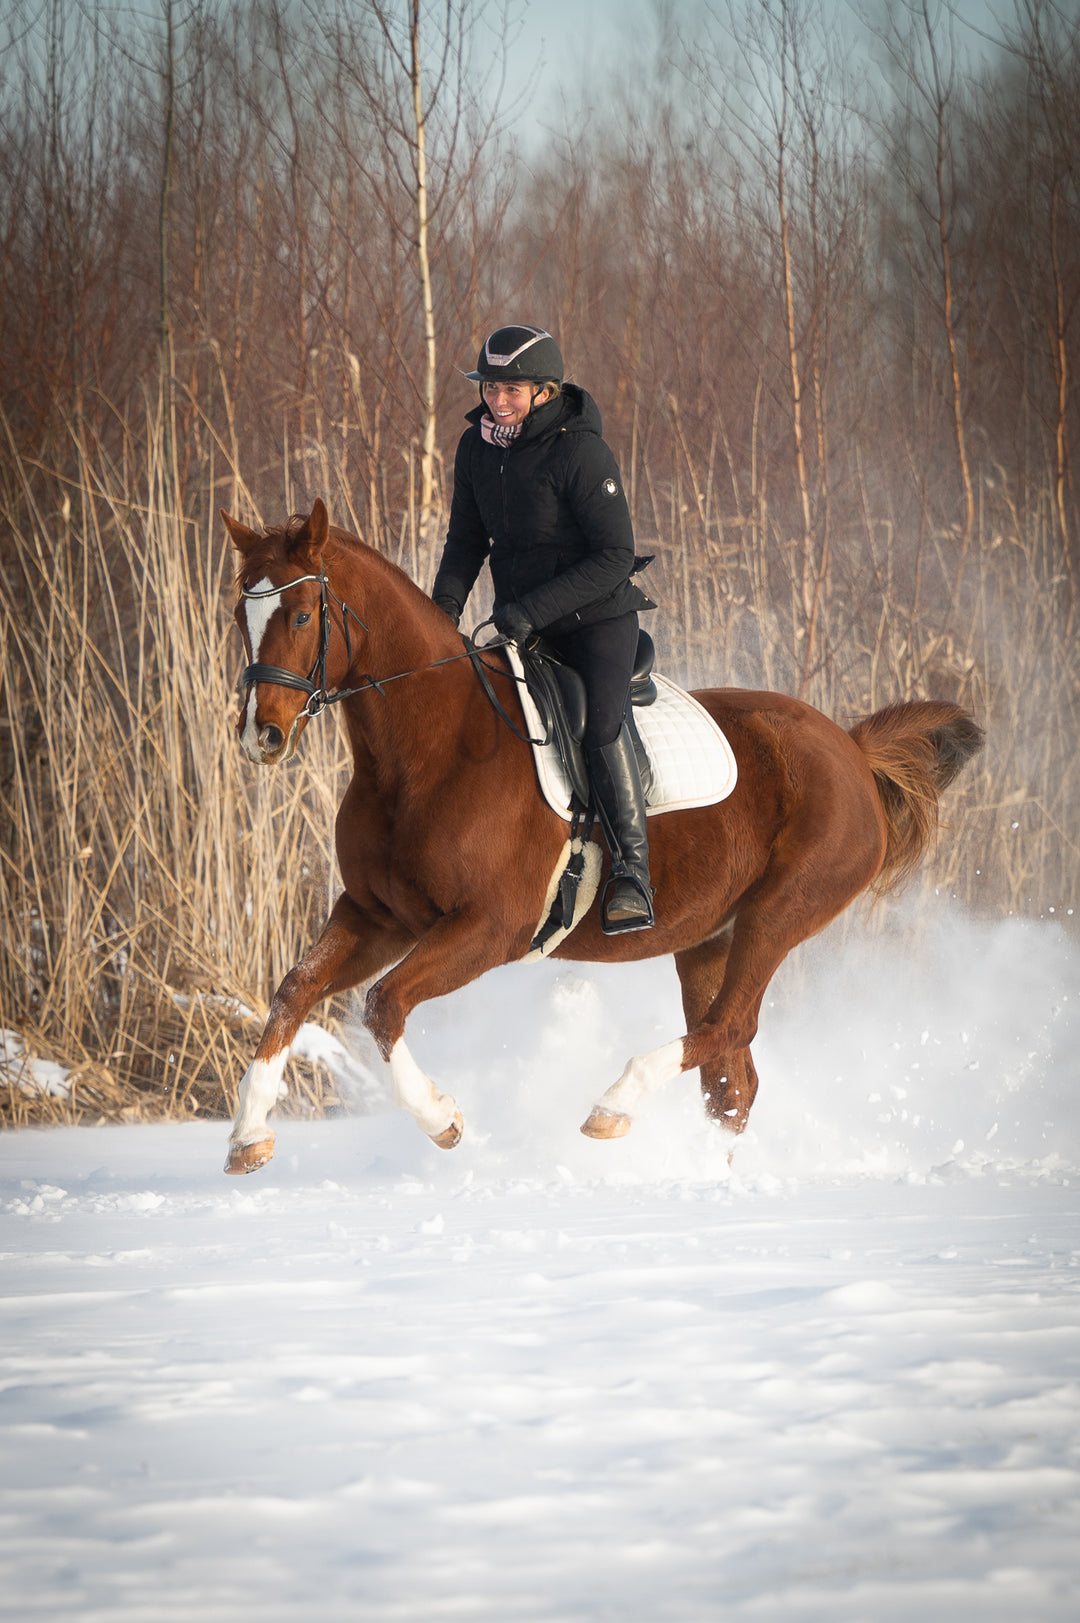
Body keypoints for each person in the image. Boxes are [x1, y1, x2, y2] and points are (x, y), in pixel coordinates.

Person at [431, 323, 658, 933]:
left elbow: (614, 555)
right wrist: (440, 615)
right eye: (489, 389)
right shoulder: (477, 450)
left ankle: (633, 872)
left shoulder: (580, 451)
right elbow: (465, 542)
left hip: (596, 620)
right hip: (523, 624)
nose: (497, 402)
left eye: (511, 390)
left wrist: (530, 611)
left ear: (544, 390)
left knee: (599, 724)